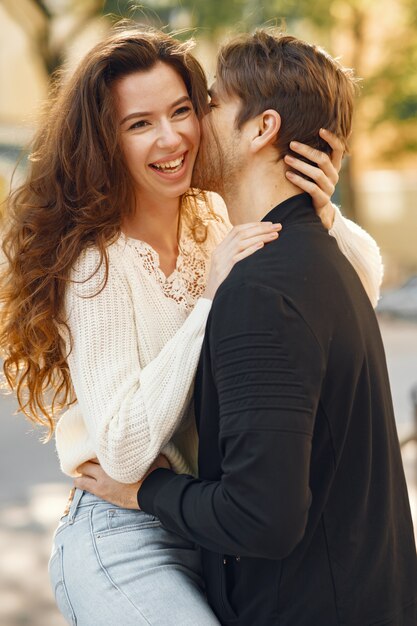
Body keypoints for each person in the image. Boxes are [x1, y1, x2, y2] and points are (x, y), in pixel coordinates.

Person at [0, 25, 383, 625]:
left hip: (211, 523)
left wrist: (320, 209)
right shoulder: (97, 265)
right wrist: (207, 306)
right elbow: (124, 453)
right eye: (139, 123)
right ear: (107, 139)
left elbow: (361, 283)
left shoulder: (212, 216)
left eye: (183, 110)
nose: (172, 135)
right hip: (125, 530)